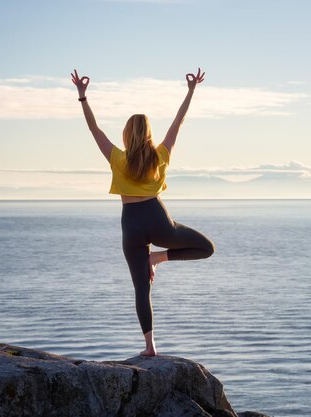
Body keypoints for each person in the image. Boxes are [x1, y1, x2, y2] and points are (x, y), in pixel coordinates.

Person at [71, 68, 215, 357]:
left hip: (131, 226)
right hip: (158, 220)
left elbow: (94, 130)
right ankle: (158, 257)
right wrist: (191, 91)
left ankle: (150, 347)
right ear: (149, 134)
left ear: (126, 134)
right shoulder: (161, 155)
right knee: (206, 248)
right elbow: (178, 122)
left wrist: (83, 97)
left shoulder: (118, 158)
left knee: (141, 288)